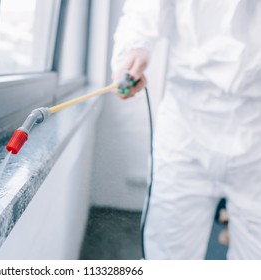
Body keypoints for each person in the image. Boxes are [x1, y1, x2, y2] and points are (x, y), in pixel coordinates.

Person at [111, 0, 261, 259]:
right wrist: (133, 49)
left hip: (255, 128)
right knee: (169, 255)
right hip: (185, 125)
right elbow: (143, 9)